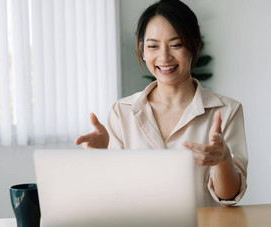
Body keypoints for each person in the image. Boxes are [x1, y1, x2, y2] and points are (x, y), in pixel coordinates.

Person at [75, 0, 248, 207]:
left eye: (176, 45)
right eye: (153, 46)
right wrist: (99, 158)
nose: (164, 57)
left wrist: (223, 159)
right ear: (142, 50)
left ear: (195, 46)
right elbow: (113, 196)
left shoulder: (226, 111)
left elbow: (228, 196)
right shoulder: (122, 113)